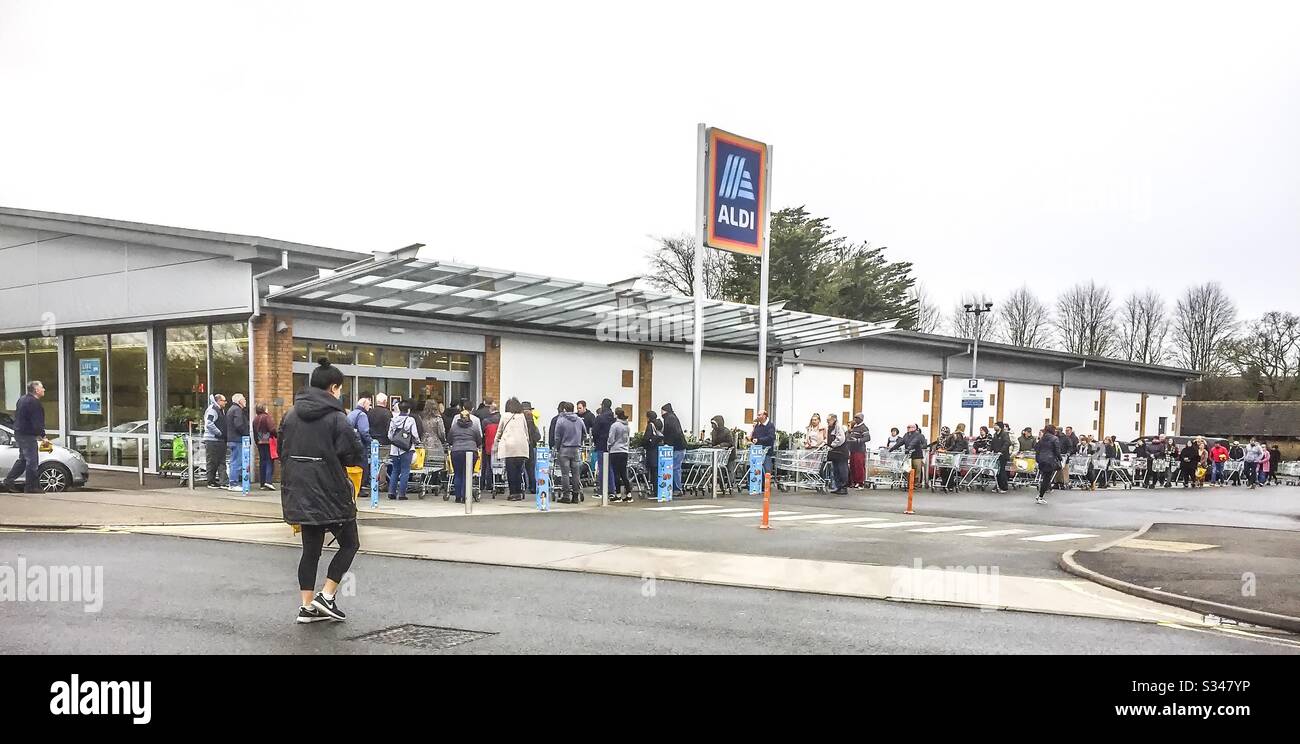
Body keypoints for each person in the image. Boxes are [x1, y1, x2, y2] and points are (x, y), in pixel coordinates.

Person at [279, 358, 365, 624]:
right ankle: (326, 595)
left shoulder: (291, 415)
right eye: (340, 388)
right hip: (331, 492)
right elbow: (352, 455)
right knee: (350, 543)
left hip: (299, 490)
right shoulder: (337, 418)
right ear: (334, 387)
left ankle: (306, 607)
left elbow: (282, 450)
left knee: (310, 549)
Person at [3, 380, 49, 493]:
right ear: (36, 390)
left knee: (23, 459)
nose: (44, 390)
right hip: (27, 435)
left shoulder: (22, 399)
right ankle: (31, 487)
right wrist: (43, 435)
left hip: (19, 433)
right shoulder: (34, 403)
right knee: (32, 461)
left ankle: (8, 481)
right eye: (42, 388)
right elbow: (36, 421)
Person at [494, 397, 532, 502]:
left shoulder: (505, 416)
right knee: (519, 471)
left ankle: (513, 493)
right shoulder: (522, 417)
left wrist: (495, 443)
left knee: (511, 472)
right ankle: (519, 492)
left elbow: (499, 431)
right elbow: (526, 432)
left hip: (509, 447)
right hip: (521, 448)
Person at [448, 404, 484, 503]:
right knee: (467, 474)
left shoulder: (454, 427)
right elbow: (479, 441)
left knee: (458, 474)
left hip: (456, 451)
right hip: (471, 451)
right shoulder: (474, 427)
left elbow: (449, 440)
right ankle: (465, 496)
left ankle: (458, 496)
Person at [553, 402, 586, 503]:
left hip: (564, 449)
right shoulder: (579, 420)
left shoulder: (561, 420)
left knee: (565, 474)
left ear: (564, 410)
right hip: (576, 450)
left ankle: (566, 496)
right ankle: (575, 496)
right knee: (576, 474)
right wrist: (579, 442)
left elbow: (557, 436)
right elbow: (585, 434)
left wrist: (558, 448)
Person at [387, 401, 419, 501]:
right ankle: (402, 494)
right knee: (405, 470)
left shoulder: (393, 420)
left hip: (394, 449)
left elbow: (389, 435)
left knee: (395, 470)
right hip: (407, 449)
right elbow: (415, 434)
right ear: (408, 410)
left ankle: (391, 492)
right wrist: (417, 441)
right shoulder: (410, 420)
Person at [346, 397, 372, 492]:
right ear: (364, 405)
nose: (369, 407)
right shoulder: (362, 415)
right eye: (369, 405)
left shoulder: (352, 414)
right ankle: (360, 487)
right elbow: (364, 431)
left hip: (350, 445)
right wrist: (371, 441)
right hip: (360, 445)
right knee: (362, 466)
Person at [202, 393, 228, 488]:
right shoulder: (213, 410)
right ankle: (211, 481)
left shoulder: (220, 410)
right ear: (218, 401)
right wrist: (219, 433)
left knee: (221, 461)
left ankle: (223, 482)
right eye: (223, 400)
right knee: (212, 461)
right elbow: (209, 423)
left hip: (219, 440)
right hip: (212, 439)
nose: (225, 402)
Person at [608, 407, 633, 502]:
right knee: (623, 474)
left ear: (616, 415)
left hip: (615, 451)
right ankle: (629, 495)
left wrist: (609, 446)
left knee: (616, 474)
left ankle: (618, 495)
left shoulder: (615, 425)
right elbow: (628, 440)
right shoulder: (627, 426)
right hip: (624, 451)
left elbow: (611, 439)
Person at [225, 393, 250, 490]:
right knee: (237, 462)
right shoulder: (237, 410)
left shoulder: (232, 409)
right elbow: (239, 425)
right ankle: (234, 483)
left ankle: (234, 482)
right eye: (244, 399)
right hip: (238, 439)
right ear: (239, 401)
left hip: (233, 439)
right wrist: (246, 434)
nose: (245, 401)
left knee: (234, 461)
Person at [660, 403, 687, 496]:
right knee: (676, 468)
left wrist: (667, 444)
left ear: (665, 411)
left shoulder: (669, 419)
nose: (661, 413)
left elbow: (672, 433)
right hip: (679, 447)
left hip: (676, 448)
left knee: (675, 468)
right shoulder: (673, 417)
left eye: (662, 411)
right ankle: (676, 488)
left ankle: (677, 489)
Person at [593, 399, 617, 493]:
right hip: (612, 447)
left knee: (602, 468)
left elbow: (595, 432)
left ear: (603, 405)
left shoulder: (600, 418)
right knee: (610, 468)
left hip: (601, 445)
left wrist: (596, 442)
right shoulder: (614, 418)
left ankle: (602, 489)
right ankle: (612, 488)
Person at [369, 393, 393, 488]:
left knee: (373, 461)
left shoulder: (370, 412)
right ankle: (382, 483)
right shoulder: (387, 413)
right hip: (384, 441)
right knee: (383, 463)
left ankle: (372, 480)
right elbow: (389, 428)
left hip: (372, 440)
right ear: (385, 402)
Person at [1034, 424, 1062, 505]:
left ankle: (1040, 495)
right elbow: (1057, 451)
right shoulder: (1055, 438)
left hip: (1041, 460)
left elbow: (1036, 448)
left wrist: (1038, 459)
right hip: (1050, 461)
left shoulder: (1042, 439)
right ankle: (1040, 496)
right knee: (1046, 479)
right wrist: (1060, 459)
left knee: (1044, 477)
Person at [253, 403, 277, 491]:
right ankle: (268, 481)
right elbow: (272, 429)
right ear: (264, 409)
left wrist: (257, 441)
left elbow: (254, 432)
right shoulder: (267, 417)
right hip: (268, 442)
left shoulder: (255, 419)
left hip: (260, 442)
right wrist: (276, 435)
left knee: (262, 461)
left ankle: (262, 483)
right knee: (269, 461)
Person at [825, 413, 849, 494]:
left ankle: (843, 487)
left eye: (829, 420)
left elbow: (841, 438)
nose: (827, 422)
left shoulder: (838, 427)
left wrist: (832, 445)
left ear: (834, 419)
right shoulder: (830, 428)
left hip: (841, 453)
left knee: (842, 470)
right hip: (834, 453)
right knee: (835, 470)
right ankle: (838, 487)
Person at [847, 413, 870, 488]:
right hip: (853, 449)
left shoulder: (864, 428)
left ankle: (860, 483)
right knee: (853, 466)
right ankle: (854, 481)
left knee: (859, 466)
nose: (855, 419)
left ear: (861, 419)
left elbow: (867, 438)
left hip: (860, 450)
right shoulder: (855, 427)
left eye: (856, 418)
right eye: (854, 417)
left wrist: (857, 440)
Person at [750, 410, 776, 476]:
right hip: (757, 452)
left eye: (759, 415)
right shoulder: (757, 426)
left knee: (766, 469)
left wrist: (758, 440)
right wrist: (752, 439)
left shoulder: (770, 425)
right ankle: (754, 485)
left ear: (764, 416)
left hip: (766, 452)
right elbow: (754, 436)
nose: (757, 416)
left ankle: (765, 485)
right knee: (754, 469)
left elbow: (771, 437)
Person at [989, 421, 1011, 493]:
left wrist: (1001, 451)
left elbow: (1007, 443)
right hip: (996, 455)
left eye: (996, 425)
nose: (994, 426)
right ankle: (998, 485)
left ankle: (1004, 487)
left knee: (1001, 471)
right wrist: (990, 450)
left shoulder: (1004, 434)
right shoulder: (995, 435)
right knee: (996, 471)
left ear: (1000, 427)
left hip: (1003, 456)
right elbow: (992, 444)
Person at [643, 410, 665, 478]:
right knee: (658, 470)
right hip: (660, 448)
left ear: (648, 417)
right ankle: (657, 487)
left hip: (652, 450)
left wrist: (643, 444)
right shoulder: (660, 424)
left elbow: (646, 438)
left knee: (653, 470)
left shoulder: (651, 425)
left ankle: (654, 486)